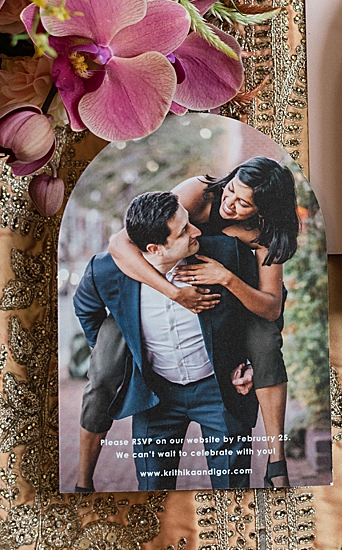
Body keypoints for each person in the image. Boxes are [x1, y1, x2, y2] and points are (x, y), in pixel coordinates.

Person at [84, 157, 299, 487]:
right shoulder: (200, 191)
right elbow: (124, 241)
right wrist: (173, 292)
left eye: (243, 203)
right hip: (173, 295)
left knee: (266, 345)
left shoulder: (266, 234)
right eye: (231, 191)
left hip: (244, 291)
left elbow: (270, 308)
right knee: (104, 371)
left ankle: (276, 463)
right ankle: (85, 480)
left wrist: (227, 280)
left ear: (263, 210)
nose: (229, 203)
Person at [72, 191, 259, 491]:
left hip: (219, 389)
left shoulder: (226, 254)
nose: (196, 231)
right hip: (155, 396)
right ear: (155, 249)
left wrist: (252, 364)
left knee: (234, 493)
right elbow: (86, 308)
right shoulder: (105, 272)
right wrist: (121, 352)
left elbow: (261, 314)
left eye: (189, 222)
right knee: (153, 495)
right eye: (184, 231)